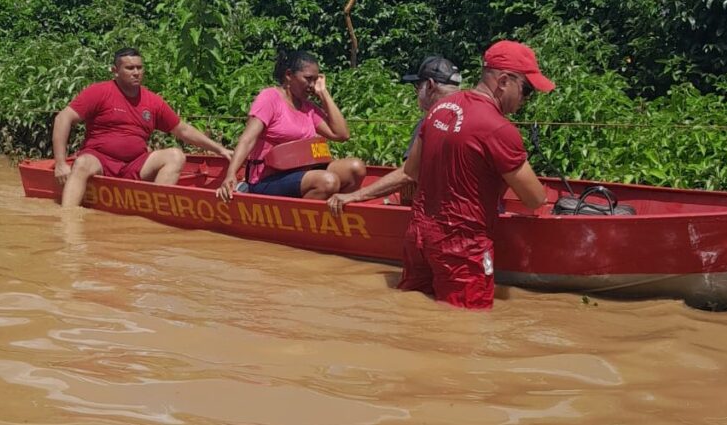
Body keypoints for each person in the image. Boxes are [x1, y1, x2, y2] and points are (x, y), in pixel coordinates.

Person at [397, 40, 553, 309]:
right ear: (504, 81)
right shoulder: (499, 129)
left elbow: (411, 171)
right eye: (526, 90)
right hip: (463, 247)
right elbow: (534, 199)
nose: (526, 99)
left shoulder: (440, 109)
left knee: (413, 312)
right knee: (469, 331)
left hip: (420, 237)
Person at [53, 48, 233, 208]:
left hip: (135, 164)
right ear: (115, 71)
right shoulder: (99, 91)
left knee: (175, 155)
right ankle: (67, 222)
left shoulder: (152, 101)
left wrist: (219, 149)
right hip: (100, 160)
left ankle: (156, 211)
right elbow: (63, 118)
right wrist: (60, 164)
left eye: (139, 68)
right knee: (83, 162)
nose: (136, 72)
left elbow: (183, 130)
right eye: (129, 68)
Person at [216, 50, 365, 202]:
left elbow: (341, 134)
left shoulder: (308, 108)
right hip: (267, 179)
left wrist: (324, 93)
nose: (312, 85)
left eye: (315, 80)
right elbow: (247, 139)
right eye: (308, 79)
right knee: (327, 181)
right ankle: (301, 219)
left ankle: (333, 212)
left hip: (304, 173)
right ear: (289, 75)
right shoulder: (269, 98)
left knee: (355, 168)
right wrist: (231, 174)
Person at [327, 55, 462, 215]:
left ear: (430, 85)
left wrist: (356, 195)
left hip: (443, 215)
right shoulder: (476, 113)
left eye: (418, 87)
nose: (417, 92)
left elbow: (408, 174)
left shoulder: (431, 120)